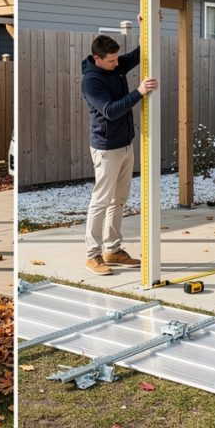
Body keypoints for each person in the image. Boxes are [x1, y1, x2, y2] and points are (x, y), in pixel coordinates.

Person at [81, 24, 158, 275]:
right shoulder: (91, 81)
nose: (117, 63)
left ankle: (112, 250)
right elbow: (110, 111)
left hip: (125, 144)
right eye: (111, 61)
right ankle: (92, 255)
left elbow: (139, 53)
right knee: (101, 201)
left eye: (117, 59)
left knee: (119, 200)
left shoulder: (114, 66)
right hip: (106, 148)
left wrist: (149, 23)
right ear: (97, 58)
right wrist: (139, 92)